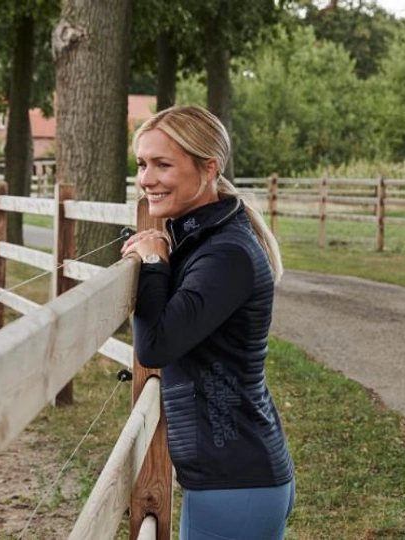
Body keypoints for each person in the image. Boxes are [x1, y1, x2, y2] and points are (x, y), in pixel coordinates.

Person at [121, 105, 295, 539]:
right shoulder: (203, 237)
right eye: (143, 164)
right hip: (231, 479)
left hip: (236, 483)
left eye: (163, 164)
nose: (147, 179)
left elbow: (156, 345)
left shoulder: (225, 253)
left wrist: (154, 264)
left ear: (208, 167)